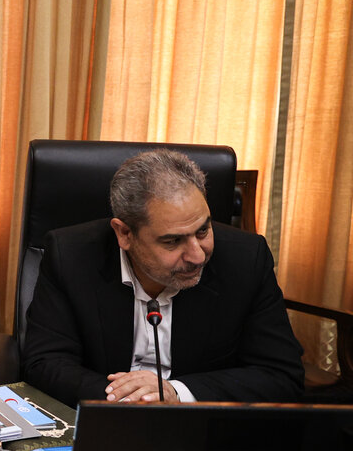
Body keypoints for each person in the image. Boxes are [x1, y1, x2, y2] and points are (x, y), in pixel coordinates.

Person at [20, 148, 304, 406]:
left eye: (203, 231)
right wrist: (133, 399)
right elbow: (45, 362)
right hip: (104, 420)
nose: (197, 256)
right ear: (124, 234)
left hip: (201, 426)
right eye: (172, 241)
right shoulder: (71, 256)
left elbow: (281, 375)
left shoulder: (246, 259)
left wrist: (176, 392)